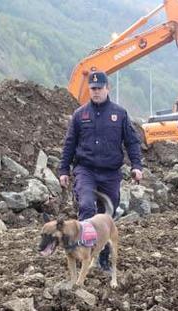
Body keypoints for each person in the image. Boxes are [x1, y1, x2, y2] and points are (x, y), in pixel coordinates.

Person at [59, 71, 143, 272]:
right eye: (92, 89)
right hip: (85, 170)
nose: (95, 92)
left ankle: (103, 258)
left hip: (110, 173)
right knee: (87, 207)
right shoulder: (80, 115)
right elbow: (69, 144)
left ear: (107, 88)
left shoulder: (120, 114)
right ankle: (83, 255)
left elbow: (132, 142)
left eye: (99, 88)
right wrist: (63, 170)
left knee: (106, 216)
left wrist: (137, 166)